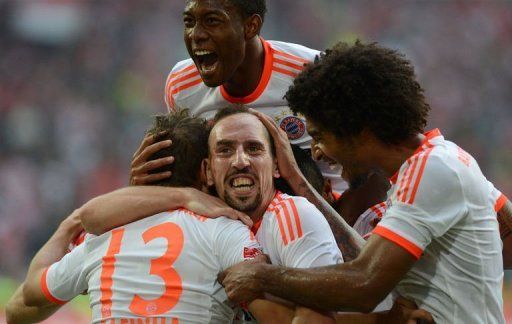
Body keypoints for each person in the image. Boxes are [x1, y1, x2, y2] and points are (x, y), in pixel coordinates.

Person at [219, 41, 506, 323]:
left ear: (358, 130)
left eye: (320, 137)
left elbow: (365, 284)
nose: (316, 151)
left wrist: (263, 277)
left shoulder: (432, 171)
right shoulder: (444, 159)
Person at [9, 111, 317, 323]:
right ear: (205, 171)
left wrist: (71, 222)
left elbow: (20, 306)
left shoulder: (99, 236)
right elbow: (280, 320)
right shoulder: (227, 231)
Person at [131, 0, 345, 193]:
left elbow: (369, 171)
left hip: (329, 213)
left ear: (250, 26)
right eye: (189, 22)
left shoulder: (312, 71)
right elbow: (188, 176)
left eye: (212, 21)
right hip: (233, 222)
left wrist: (339, 230)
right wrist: (145, 181)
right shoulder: (181, 85)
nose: (196, 35)